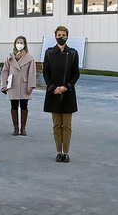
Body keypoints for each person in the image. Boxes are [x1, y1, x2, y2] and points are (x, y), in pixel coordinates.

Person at [43, 26, 80, 163]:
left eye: (63, 35)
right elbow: (46, 72)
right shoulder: (49, 53)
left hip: (67, 94)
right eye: (59, 35)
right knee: (57, 125)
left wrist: (66, 86)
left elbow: (76, 74)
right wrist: (53, 88)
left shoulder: (73, 53)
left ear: (67, 36)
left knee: (67, 126)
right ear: (55, 36)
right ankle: (58, 152)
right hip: (54, 93)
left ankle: (66, 152)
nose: (61, 37)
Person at [0, 36, 37, 136]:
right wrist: (4, 85)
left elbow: (32, 72)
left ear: (25, 44)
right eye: (18, 42)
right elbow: (5, 71)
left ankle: (23, 128)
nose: (19, 44)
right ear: (15, 44)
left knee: (24, 106)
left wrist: (31, 86)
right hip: (12, 84)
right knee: (14, 105)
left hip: (24, 85)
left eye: (21, 42)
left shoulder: (29, 57)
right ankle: (16, 128)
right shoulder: (10, 57)